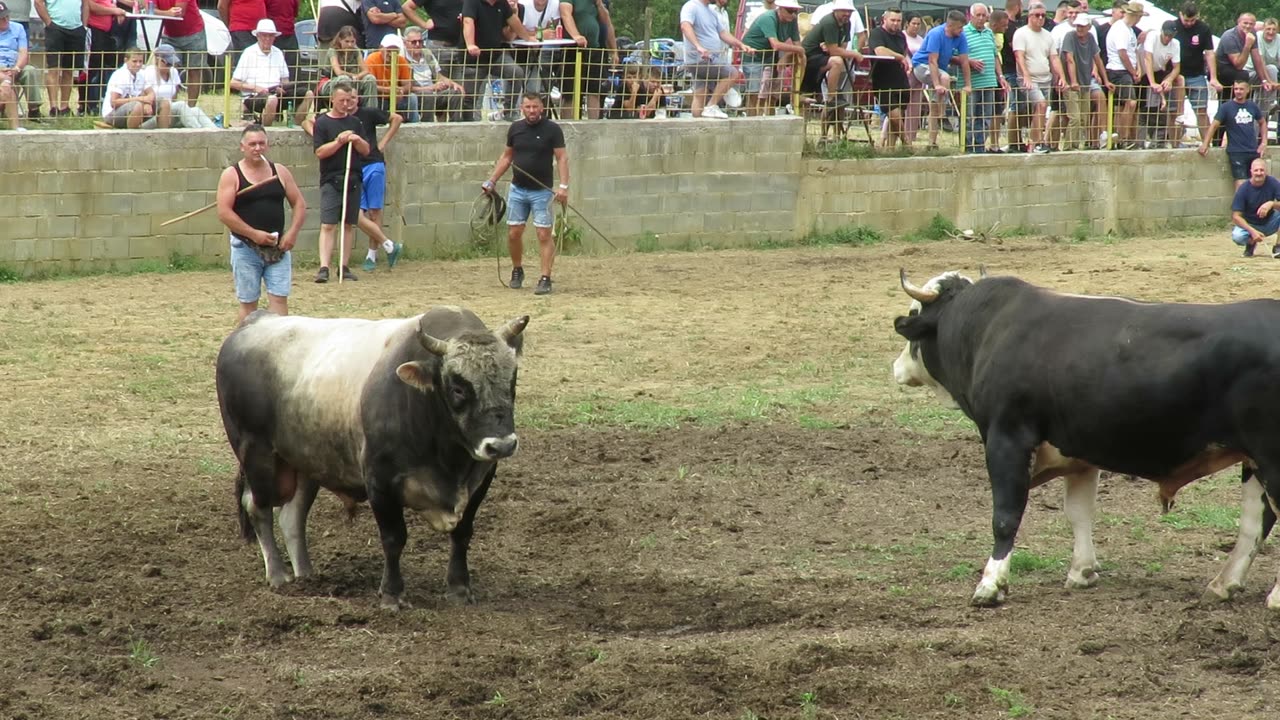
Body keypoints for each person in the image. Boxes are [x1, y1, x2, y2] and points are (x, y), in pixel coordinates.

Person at [216, 124, 307, 323]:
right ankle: (242, 349)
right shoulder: (232, 175)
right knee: (249, 305)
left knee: (279, 299)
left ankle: (278, 348)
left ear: (267, 145)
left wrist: (292, 233)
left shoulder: (280, 172)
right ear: (242, 147)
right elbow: (224, 212)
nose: (257, 148)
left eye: (261, 143)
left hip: (278, 247)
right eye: (252, 144)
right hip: (245, 248)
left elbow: (299, 204)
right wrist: (253, 234)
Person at [481, 92, 568, 295]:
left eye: (535, 107)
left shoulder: (552, 130)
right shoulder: (515, 128)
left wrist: (563, 187)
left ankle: (545, 277)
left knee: (543, 233)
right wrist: (492, 180)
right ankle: (517, 269)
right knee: (513, 233)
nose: (531, 111)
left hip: (542, 191)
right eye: (528, 107)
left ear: (542, 108)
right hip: (518, 189)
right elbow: (507, 157)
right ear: (522, 108)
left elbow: (562, 158)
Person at [312, 80, 371, 283]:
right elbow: (320, 152)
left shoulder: (355, 123)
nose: (346, 104)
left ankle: (343, 266)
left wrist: (356, 140)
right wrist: (338, 142)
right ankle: (324, 267)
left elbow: (366, 150)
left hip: (353, 178)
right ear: (333, 100)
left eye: (349, 100)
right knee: (328, 224)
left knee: (348, 224)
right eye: (342, 100)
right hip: (331, 179)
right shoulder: (322, 123)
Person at [230, 19, 316, 127]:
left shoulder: (278, 53)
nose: (267, 39)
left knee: (308, 94)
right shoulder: (249, 53)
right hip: (254, 96)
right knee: (271, 99)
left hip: (276, 92)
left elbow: (285, 79)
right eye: (264, 36)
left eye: (270, 36)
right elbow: (233, 83)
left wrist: (283, 87)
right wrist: (256, 88)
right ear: (258, 36)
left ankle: (296, 126)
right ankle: (266, 130)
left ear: (274, 38)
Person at [911, 9, 973, 150]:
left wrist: (969, 85)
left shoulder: (960, 37)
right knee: (945, 77)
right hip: (922, 65)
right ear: (950, 26)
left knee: (934, 107)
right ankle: (943, 113)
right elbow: (932, 60)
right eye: (959, 27)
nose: (962, 30)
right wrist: (937, 84)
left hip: (938, 68)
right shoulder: (936, 34)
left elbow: (964, 61)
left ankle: (932, 142)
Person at [681, 0, 753, 119]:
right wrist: (698, 46)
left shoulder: (711, 12)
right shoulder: (691, 6)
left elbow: (723, 33)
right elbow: (685, 25)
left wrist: (740, 45)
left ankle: (697, 126)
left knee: (700, 94)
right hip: (702, 59)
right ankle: (711, 106)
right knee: (733, 73)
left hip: (703, 59)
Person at [1198, 79, 1266, 189]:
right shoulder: (1226, 107)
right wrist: (1205, 144)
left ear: (1247, 90)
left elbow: (1262, 122)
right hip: (1236, 151)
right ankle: (1239, 206)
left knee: (1256, 182)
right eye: (1236, 89)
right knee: (1240, 183)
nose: (1238, 91)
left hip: (1253, 150)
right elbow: (1214, 125)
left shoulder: (1252, 106)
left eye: (1241, 89)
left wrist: (1264, 142)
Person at [740, 0, 803, 117]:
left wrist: (786, 56)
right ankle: (751, 122)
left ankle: (769, 119)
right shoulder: (769, 18)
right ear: (780, 9)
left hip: (771, 56)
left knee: (773, 94)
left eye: (795, 11)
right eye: (790, 11)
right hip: (753, 56)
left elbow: (798, 45)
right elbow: (776, 44)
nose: (793, 14)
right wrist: (797, 50)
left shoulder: (792, 20)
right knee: (754, 93)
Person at [799, 0, 860, 114]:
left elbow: (843, 45)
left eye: (849, 11)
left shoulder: (847, 23)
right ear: (836, 11)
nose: (847, 14)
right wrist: (855, 53)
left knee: (839, 60)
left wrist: (840, 51)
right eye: (844, 11)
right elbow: (834, 51)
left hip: (822, 56)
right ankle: (831, 97)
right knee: (837, 61)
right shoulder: (829, 22)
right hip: (810, 56)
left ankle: (833, 99)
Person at [964, 4, 1008, 153]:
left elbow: (995, 55)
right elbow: (955, 55)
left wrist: (1000, 76)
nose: (981, 18)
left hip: (989, 81)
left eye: (984, 15)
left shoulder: (989, 33)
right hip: (971, 82)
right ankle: (967, 146)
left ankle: (980, 146)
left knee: (985, 117)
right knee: (969, 117)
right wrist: (970, 62)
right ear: (971, 16)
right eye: (978, 15)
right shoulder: (963, 32)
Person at [561, 0, 617, 118]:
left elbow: (607, 23)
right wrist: (576, 35)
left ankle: (594, 127)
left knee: (594, 90)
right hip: (573, 49)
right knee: (570, 92)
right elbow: (565, 14)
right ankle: (567, 126)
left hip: (595, 49)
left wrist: (599, 4)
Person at [141, 43, 218, 127]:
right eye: (167, 63)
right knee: (181, 105)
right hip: (155, 117)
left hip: (169, 114)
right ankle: (198, 132)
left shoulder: (173, 72)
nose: (169, 66)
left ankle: (214, 132)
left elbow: (174, 98)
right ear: (157, 59)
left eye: (171, 64)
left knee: (196, 110)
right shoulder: (149, 72)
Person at [1175, 2, 1219, 145]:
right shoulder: (1173, 26)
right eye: (1186, 20)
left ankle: (1207, 142)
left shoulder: (1203, 28)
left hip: (1196, 75)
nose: (1189, 23)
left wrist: (1213, 77)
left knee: (1201, 110)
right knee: (1175, 112)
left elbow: (1209, 53)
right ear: (1180, 14)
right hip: (1176, 75)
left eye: (1192, 20)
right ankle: (1174, 142)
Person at [35, 0, 87, 117]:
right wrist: (49, 23)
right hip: (56, 27)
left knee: (69, 70)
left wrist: (84, 25)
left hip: (77, 28)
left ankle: (64, 107)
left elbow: (86, 3)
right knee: (54, 69)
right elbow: (38, 2)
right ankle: (53, 107)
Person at [402, 25, 464, 121]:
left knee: (455, 92)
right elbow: (407, 88)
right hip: (415, 96)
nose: (418, 44)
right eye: (414, 42)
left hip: (433, 93)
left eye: (420, 41)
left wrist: (453, 84)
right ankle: (427, 127)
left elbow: (439, 76)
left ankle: (455, 126)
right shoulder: (401, 59)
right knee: (428, 95)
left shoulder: (427, 53)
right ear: (405, 43)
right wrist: (430, 88)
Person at [868, 6, 911, 147]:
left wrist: (905, 61)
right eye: (892, 20)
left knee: (899, 116)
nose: (895, 23)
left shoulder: (901, 36)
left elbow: (905, 53)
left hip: (900, 79)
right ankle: (907, 143)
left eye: (898, 20)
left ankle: (891, 149)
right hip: (883, 80)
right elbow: (880, 51)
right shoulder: (876, 33)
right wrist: (899, 57)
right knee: (893, 115)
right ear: (884, 19)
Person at [155, 0, 207, 104]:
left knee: (194, 70)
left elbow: (179, 12)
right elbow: (149, 9)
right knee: (167, 69)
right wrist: (167, 12)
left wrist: (161, 12)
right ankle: (171, 106)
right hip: (170, 34)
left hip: (194, 32)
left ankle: (191, 108)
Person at [0, 2, 42, 125]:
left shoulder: (18, 28)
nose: (6, 19)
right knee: (5, 80)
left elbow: (23, 52)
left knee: (30, 71)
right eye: (2, 18)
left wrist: (17, 68)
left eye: (7, 16)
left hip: (15, 65)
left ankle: (34, 110)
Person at [102, 47, 166, 128]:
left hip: (134, 106)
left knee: (164, 102)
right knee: (137, 106)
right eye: (134, 61)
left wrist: (147, 102)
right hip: (112, 113)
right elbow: (114, 102)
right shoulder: (120, 75)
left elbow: (151, 93)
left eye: (141, 61)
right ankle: (133, 136)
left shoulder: (141, 73)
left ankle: (163, 133)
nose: (138, 64)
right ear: (126, 61)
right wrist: (141, 100)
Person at [1230, 158, 1280, 257]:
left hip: (1270, 222)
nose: (1259, 173)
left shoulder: (1273, 182)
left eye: (1262, 170)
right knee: (1237, 237)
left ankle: (1278, 246)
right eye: (1256, 170)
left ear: (1266, 171)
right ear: (1251, 171)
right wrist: (1252, 231)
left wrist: (1271, 204)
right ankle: (1251, 244)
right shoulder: (1243, 189)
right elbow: (1236, 217)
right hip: (1250, 224)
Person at [319, 25, 380, 104]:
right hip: (331, 83)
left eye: (352, 41)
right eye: (347, 41)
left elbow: (366, 70)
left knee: (370, 78)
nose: (350, 45)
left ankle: (370, 111)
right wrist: (353, 76)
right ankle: (346, 111)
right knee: (344, 79)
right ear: (340, 40)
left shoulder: (356, 51)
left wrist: (358, 76)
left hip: (352, 81)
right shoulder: (333, 51)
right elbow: (339, 72)